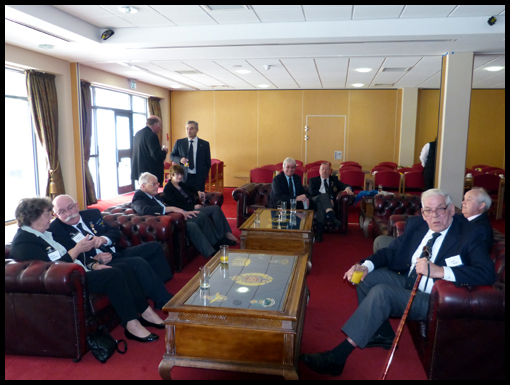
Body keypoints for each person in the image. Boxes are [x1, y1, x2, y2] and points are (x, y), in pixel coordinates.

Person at [301, 188, 495, 376]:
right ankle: (383, 334)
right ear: (423, 213)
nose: (435, 215)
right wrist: (364, 265)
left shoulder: (469, 234)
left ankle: (337, 357)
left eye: (441, 209)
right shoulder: (417, 225)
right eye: (428, 210)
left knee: (382, 293)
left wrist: (441, 271)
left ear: (451, 209)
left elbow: (487, 273)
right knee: (368, 278)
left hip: (431, 297)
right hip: (407, 280)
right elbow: (391, 252)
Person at [10, 197, 163, 343]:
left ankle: (145, 311)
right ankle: (131, 324)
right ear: (34, 217)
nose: (51, 217)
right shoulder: (25, 241)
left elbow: (72, 258)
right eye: (47, 213)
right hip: (66, 281)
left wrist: (93, 265)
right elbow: (48, 270)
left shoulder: (44, 234)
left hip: (77, 272)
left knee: (123, 267)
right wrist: (76, 250)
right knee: (114, 274)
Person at [49, 194, 173, 310]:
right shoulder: (56, 230)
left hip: (115, 251)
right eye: (62, 212)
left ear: (76, 205)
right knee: (138, 263)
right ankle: (163, 300)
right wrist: (95, 260)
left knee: (154, 247)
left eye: (70, 208)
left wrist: (104, 239)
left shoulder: (92, 214)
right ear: (55, 214)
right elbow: (69, 255)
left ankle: (159, 286)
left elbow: (114, 232)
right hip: (101, 261)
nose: (68, 214)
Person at [132, 172, 220, 259]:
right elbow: (145, 210)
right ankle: (212, 255)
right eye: (153, 184)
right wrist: (171, 209)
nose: (157, 186)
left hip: (177, 216)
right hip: (167, 222)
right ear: (143, 186)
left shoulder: (155, 195)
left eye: (157, 183)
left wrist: (184, 212)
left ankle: (217, 246)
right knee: (192, 226)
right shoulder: (138, 197)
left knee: (201, 216)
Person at [163, 164, 238, 245]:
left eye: (181, 174)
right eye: (177, 174)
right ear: (171, 175)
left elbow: (193, 187)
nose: (180, 176)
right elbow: (174, 205)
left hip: (195, 207)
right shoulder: (168, 189)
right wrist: (192, 207)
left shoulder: (181, 184)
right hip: (187, 210)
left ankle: (225, 234)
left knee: (216, 208)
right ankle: (222, 238)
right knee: (213, 210)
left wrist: (198, 191)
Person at [308, 162, 354, 242]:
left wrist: (348, 188)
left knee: (321, 205)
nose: (324, 171)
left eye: (326, 169)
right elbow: (312, 192)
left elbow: (344, 185)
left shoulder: (334, 180)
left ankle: (319, 234)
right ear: (319, 171)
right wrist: (327, 198)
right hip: (315, 201)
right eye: (323, 169)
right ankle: (333, 219)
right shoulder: (313, 180)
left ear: (330, 171)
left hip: (327, 205)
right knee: (323, 197)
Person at [170, 120, 211, 192]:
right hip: (184, 176)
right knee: (185, 199)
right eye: (187, 128)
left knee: (198, 199)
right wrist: (180, 160)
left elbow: (208, 162)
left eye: (191, 128)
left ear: (197, 130)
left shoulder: (204, 144)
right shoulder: (179, 142)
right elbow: (172, 156)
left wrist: (203, 176)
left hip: (198, 177)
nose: (188, 131)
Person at [131, 115, 168, 186]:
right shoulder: (152, 135)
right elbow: (156, 155)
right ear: (156, 124)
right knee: (150, 193)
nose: (160, 128)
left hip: (139, 169)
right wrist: (164, 151)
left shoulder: (138, 133)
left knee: (143, 192)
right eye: (160, 125)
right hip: (150, 172)